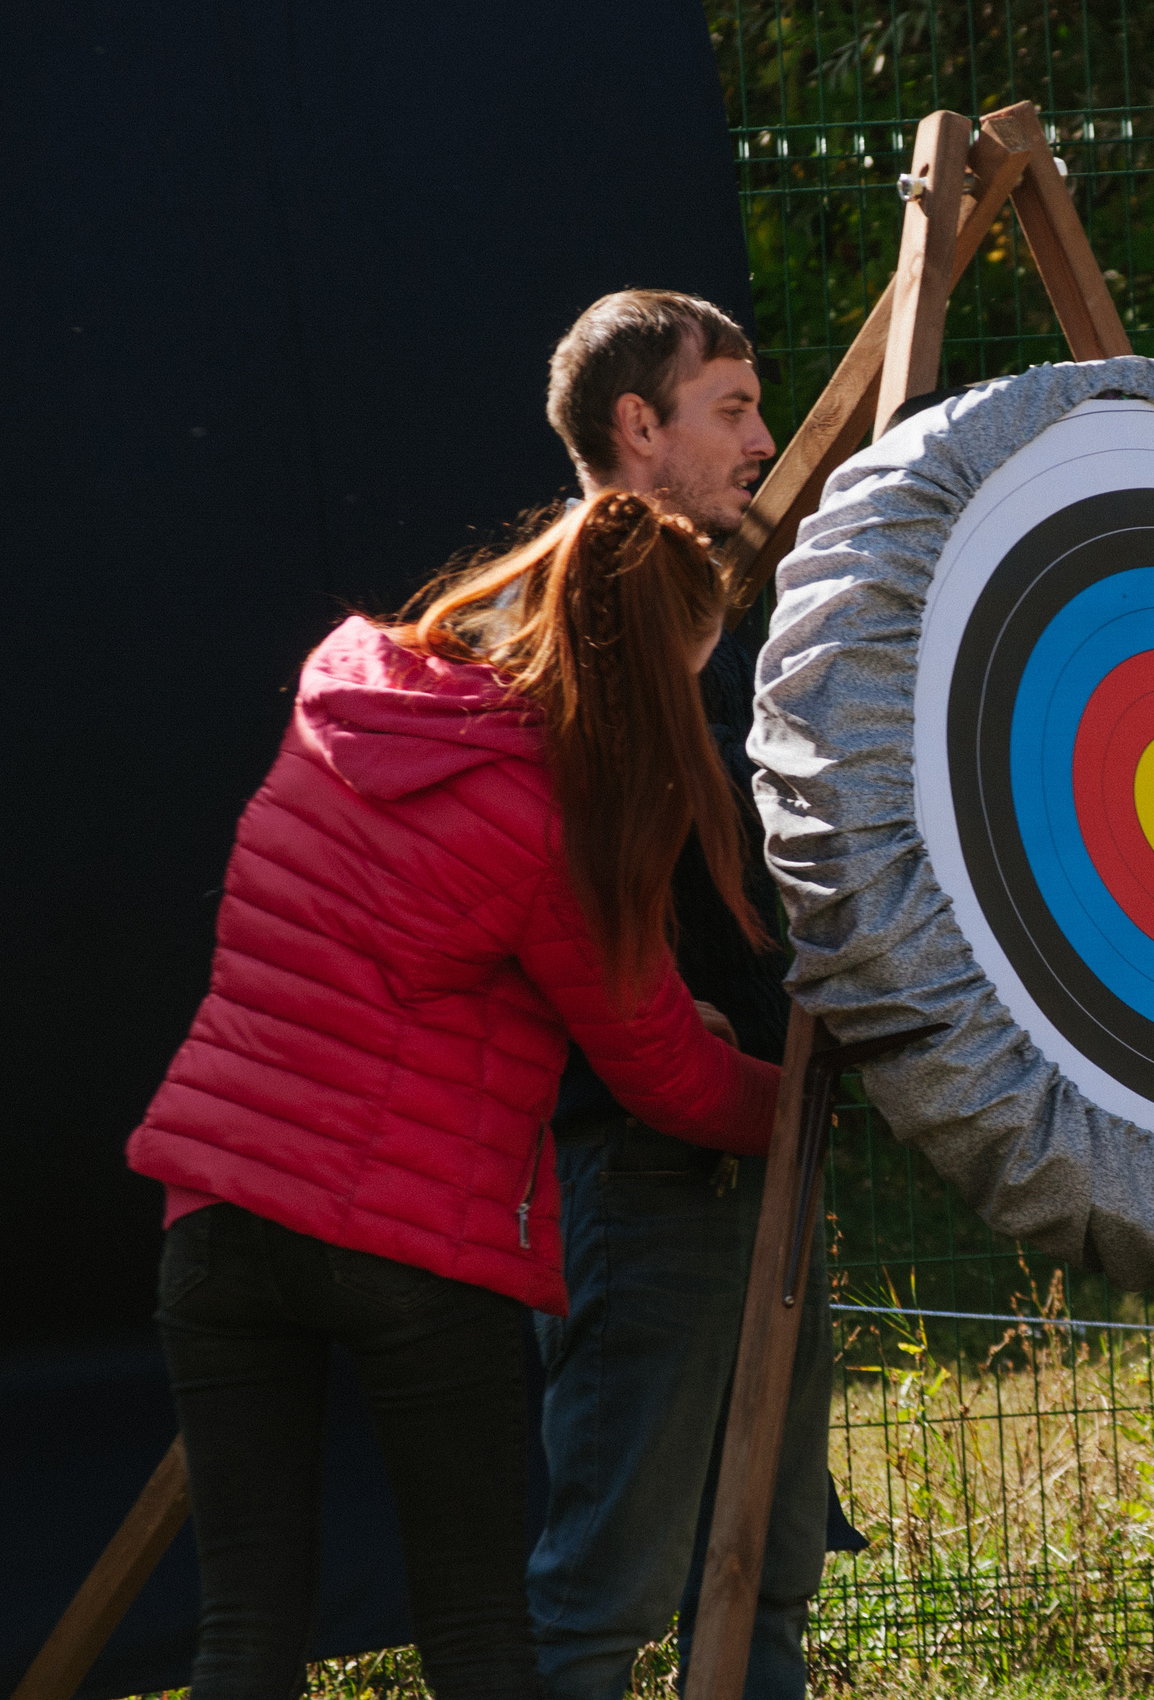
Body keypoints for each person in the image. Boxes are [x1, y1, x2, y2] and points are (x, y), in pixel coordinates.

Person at [128, 492, 783, 1700]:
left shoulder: (344, 685)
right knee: (477, 1632)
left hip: (218, 1214)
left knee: (243, 1627)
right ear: (646, 667)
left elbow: (393, 938)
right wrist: (806, 1106)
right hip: (411, 1243)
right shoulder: (556, 823)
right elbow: (665, 1075)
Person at [524, 290, 840, 1700]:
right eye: (733, 408)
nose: (764, 441)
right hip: (639, 1169)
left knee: (767, 1575)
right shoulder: (561, 629)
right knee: (604, 1601)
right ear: (636, 425)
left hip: (766, 1152)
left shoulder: (725, 629)